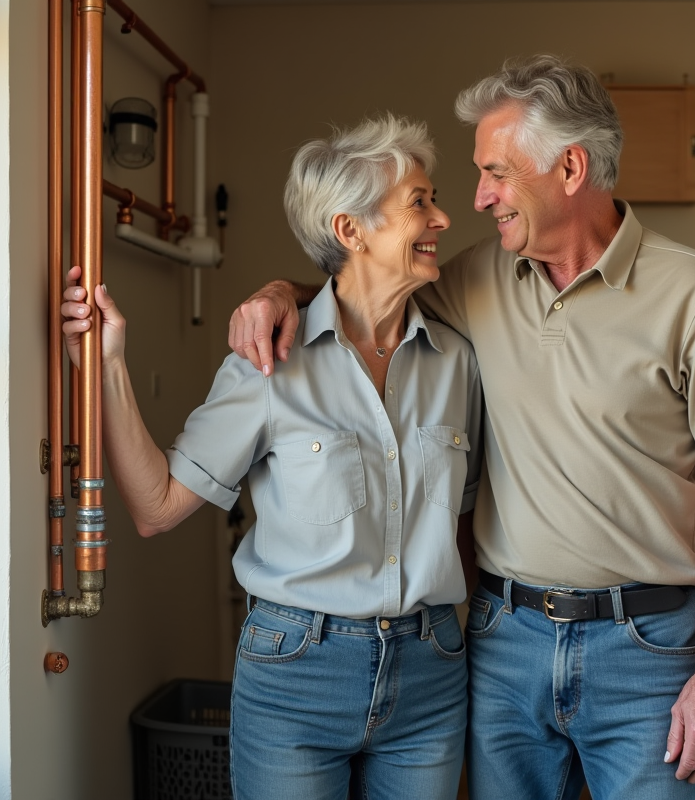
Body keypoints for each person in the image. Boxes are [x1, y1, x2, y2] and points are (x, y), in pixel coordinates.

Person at [227, 56, 695, 800]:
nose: (479, 198)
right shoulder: (477, 278)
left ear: (571, 167)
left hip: (650, 651)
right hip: (504, 643)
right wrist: (277, 293)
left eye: (497, 173)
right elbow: (361, 292)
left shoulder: (692, 292)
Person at [62, 114, 482, 800]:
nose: (442, 216)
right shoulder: (267, 363)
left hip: (430, 672)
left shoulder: (457, 364)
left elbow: (465, 525)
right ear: (351, 230)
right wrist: (109, 368)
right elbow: (156, 507)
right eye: (420, 202)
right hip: (296, 673)